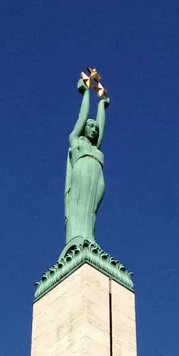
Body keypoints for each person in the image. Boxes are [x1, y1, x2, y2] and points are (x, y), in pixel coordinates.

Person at [64, 75, 109, 250]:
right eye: (91, 126)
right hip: (82, 170)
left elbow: (102, 126)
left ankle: (89, 237)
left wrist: (102, 105)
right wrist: (86, 93)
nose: (94, 129)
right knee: (81, 205)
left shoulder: (95, 148)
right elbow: (82, 116)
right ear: (84, 128)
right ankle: (78, 237)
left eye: (95, 128)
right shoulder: (76, 141)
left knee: (92, 210)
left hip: (97, 175)